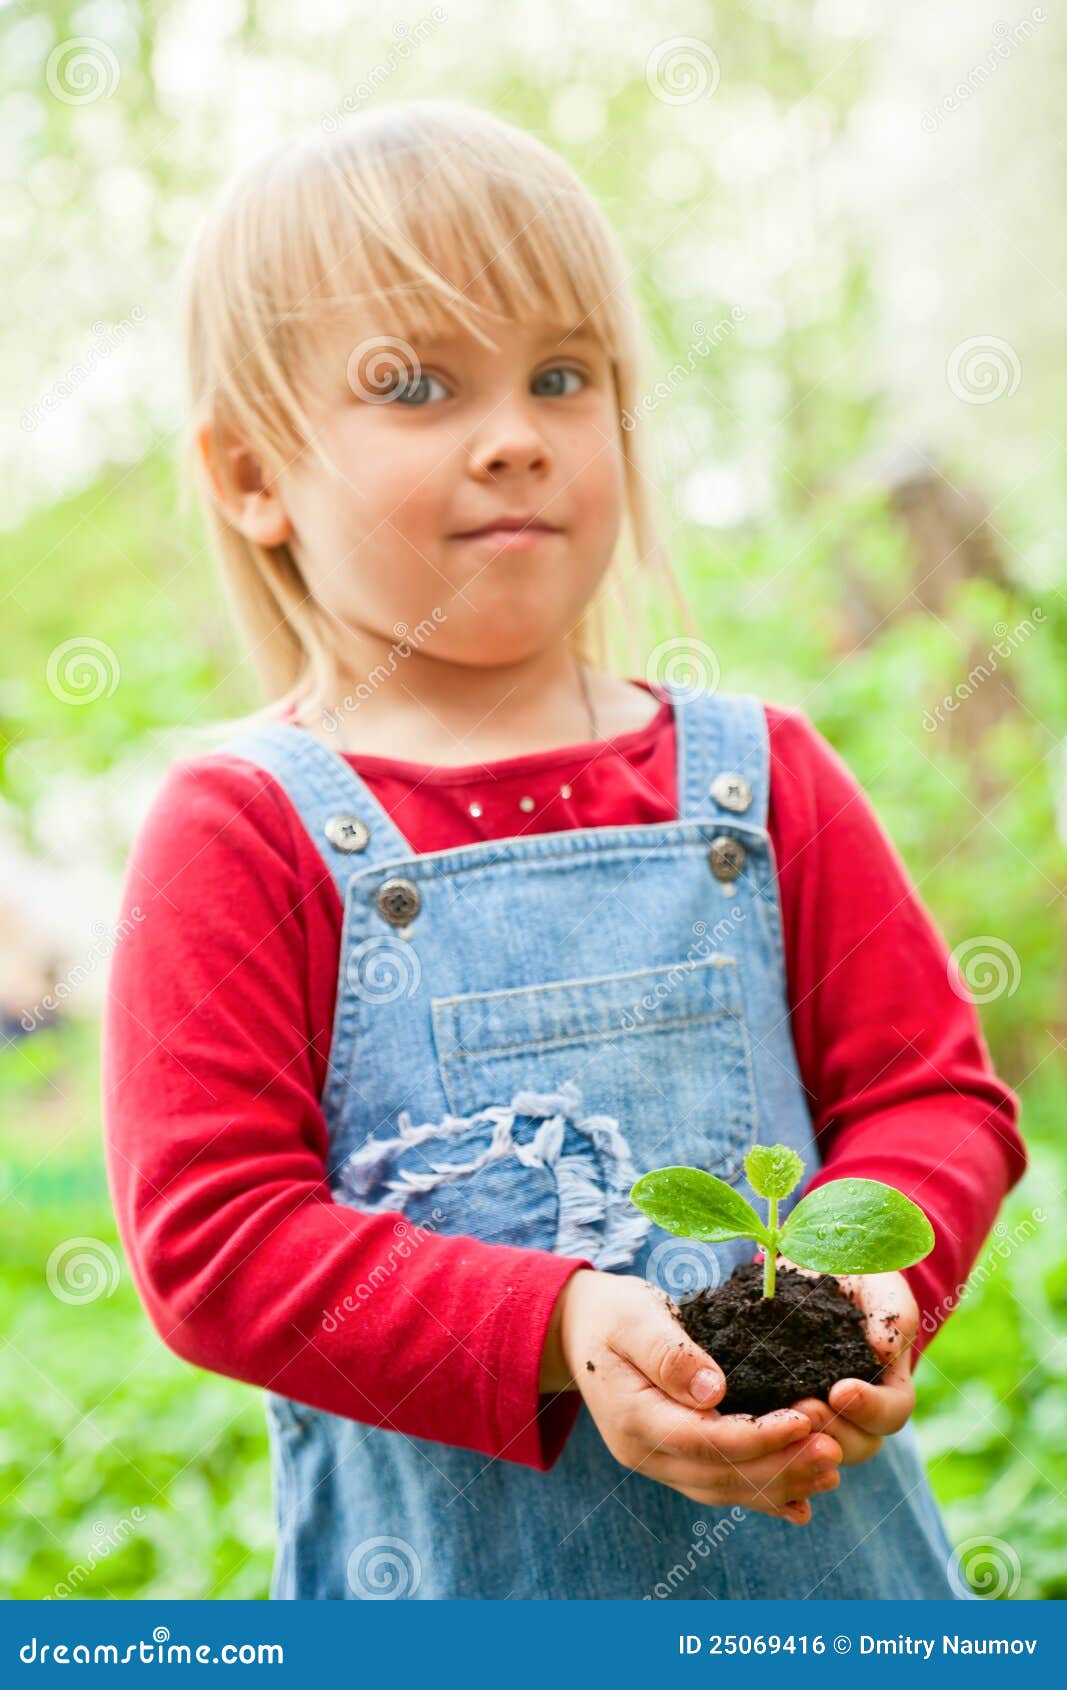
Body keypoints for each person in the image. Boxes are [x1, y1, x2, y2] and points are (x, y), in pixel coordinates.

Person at [102, 101, 1025, 1601]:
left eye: (562, 375)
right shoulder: (244, 830)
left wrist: (882, 1282)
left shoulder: (764, 776)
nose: (516, 435)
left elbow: (935, 1096)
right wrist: (556, 1324)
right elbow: (217, 1239)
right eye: (416, 385)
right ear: (252, 474)